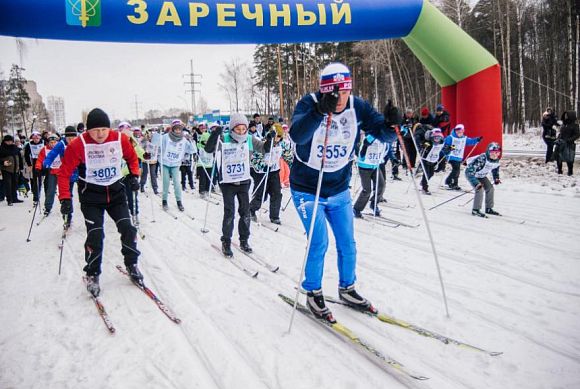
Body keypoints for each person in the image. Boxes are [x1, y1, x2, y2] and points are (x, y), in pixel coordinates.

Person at [289, 62, 397, 322]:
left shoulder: (357, 106)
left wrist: (392, 125)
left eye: (344, 92)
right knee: (319, 241)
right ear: (323, 90)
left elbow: (383, 135)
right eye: (333, 94)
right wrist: (318, 111)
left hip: (338, 189)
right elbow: (297, 136)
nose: (339, 99)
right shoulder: (309, 103)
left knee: (347, 242)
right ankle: (312, 291)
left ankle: (347, 288)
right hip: (307, 189)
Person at [57, 108, 143, 297]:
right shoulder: (78, 145)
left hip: (116, 193)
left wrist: (134, 175)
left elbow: (132, 158)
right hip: (91, 198)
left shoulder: (119, 139)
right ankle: (92, 273)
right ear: (88, 130)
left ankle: (132, 264)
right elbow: (63, 174)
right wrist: (65, 198)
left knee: (128, 228)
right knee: (95, 235)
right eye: (95, 131)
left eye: (104, 129)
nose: (100, 134)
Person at [204, 113, 271, 257]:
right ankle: (226, 241)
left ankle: (244, 240)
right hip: (227, 182)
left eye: (243, 129)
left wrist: (270, 140)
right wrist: (215, 134)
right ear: (232, 128)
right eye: (238, 129)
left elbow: (265, 149)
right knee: (230, 212)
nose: (241, 132)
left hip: (244, 181)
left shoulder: (249, 139)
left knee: (245, 212)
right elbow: (209, 149)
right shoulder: (224, 138)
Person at [249, 123, 292, 224]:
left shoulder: (282, 144)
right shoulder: (263, 142)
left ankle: (274, 216)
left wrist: (293, 165)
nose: (278, 139)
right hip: (261, 173)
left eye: (280, 136)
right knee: (261, 195)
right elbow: (254, 159)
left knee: (276, 193)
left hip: (274, 171)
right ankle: (251, 210)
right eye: (277, 136)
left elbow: (288, 156)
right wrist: (262, 165)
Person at [155, 120, 195, 211]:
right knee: (166, 182)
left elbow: (192, 150)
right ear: (172, 129)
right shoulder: (165, 137)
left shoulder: (184, 139)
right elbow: (157, 145)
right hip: (165, 162)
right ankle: (164, 201)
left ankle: (179, 201)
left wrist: (191, 140)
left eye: (179, 129)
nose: (177, 131)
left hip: (176, 164)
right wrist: (157, 136)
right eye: (176, 129)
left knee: (177, 183)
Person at [43, 126, 79, 225]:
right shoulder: (61, 144)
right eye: (69, 138)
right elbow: (52, 154)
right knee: (67, 196)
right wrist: (46, 162)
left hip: (80, 172)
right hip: (68, 173)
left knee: (85, 195)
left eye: (73, 138)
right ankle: (67, 217)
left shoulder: (79, 142)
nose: (71, 140)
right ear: (65, 137)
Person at [353, 130, 388, 217]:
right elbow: (366, 142)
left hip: (375, 165)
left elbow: (397, 135)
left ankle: (374, 203)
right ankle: (357, 209)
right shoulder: (372, 135)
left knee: (381, 185)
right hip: (364, 166)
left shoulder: (385, 138)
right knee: (367, 190)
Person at [465, 142, 502, 217]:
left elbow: (495, 170)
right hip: (473, 175)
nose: (495, 155)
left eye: (497, 152)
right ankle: (476, 210)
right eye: (492, 152)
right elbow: (469, 172)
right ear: (488, 152)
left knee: (490, 189)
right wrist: (476, 183)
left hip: (482, 176)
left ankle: (489, 208)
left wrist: (496, 179)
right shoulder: (482, 159)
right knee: (480, 189)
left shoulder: (496, 161)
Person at [443, 124, 482, 190]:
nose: (459, 133)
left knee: (457, 171)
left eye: (461, 132)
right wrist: (449, 148)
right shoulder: (451, 137)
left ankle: (449, 181)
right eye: (458, 131)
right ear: (455, 131)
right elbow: (445, 146)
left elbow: (470, 141)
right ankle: (453, 183)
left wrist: (477, 140)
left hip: (458, 157)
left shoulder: (464, 138)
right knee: (456, 170)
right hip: (451, 156)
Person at [36, 133, 61, 216]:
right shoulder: (45, 149)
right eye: (51, 142)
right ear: (48, 142)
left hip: (62, 172)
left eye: (54, 142)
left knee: (64, 190)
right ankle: (48, 207)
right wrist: (38, 168)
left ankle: (66, 206)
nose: (53, 144)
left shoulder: (62, 148)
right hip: (52, 172)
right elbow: (40, 159)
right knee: (50, 190)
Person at [418, 128, 445, 195]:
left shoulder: (441, 144)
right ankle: (424, 188)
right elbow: (422, 145)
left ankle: (423, 182)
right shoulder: (429, 143)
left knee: (431, 174)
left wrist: (452, 147)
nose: (437, 139)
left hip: (433, 161)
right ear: (432, 137)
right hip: (425, 160)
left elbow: (445, 149)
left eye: (438, 138)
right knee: (426, 174)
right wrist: (424, 146)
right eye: (435, 138)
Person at [0, 134, 24, 206]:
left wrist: (21, 167)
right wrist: (3, 162)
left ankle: (15, 198)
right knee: (8, 185)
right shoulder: (1, 149)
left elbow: (19, 158)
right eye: (8, 141)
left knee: (15, 184)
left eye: (11, 141)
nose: (9, 143)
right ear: (4, 141)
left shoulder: (15, 148)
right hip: (6, 170)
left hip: (16, 169)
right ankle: (9, 200)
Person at [554, 111, 580, 176]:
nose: (566, 117)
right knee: (558, 157)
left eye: (567, 115)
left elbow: (577, 134)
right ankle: (559, 170)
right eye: (565, 115)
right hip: (561, 143)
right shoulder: (564, 124)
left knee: (569, 159)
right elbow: (561, 133)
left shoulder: (575, 125)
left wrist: (570, 140)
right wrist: (558, 138)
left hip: (569, 144)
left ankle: (570, 172)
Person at [24, 131, 45, 205]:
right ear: (32, 138)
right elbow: (26, 155)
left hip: (45, 162)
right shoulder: (29, 145)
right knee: (36, 181)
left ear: (40, 137)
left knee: (46, 180)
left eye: (37, 138)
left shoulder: (44, 143)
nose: (36, 139)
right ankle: (36, 198)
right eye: (34, 138)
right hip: (36, 162)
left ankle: (48, 196)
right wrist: (29, 164)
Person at [196, 123, 214, 197]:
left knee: (208, 178)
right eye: (204, 141)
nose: (206, 142)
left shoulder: (211, 148)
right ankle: (202, 191)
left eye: (207, 141)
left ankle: (207, 190)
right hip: (202, 164)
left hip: (209, 164)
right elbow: (197, 146)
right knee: (202, 178)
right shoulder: (200, 146)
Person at [139, 129, 160, 194]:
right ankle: (142, 185)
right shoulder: (144, 141)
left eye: (151, 135)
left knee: (153, 174)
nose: (150, 136)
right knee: (145, 174)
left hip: (153, 160)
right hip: (146, 160)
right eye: (149, 135)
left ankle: (155, 188)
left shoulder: (156, 141)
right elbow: (140, 147)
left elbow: (158, 149)